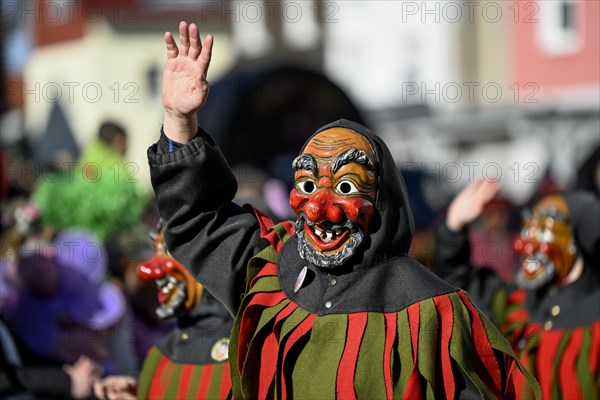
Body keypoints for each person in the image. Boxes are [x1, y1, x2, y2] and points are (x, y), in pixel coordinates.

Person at [147, 21, 539, 398]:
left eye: (346, 187)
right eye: (306, 185)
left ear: (379, 200)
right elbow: (198, 220)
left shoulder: (432, 311)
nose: (320, 208)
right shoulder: (270, 272)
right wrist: (180, 122)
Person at [433, 179, 600, 399]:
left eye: (541, 231)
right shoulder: (516, 305)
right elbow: (459, 286)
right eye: (528, 229)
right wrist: (453, 228)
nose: (524, 244)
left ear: (576, 241)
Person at [93, 221, 232, 399]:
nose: (148, 270)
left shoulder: (247, 352)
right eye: (156, 251)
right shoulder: (158, 357)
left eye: (169, 252)